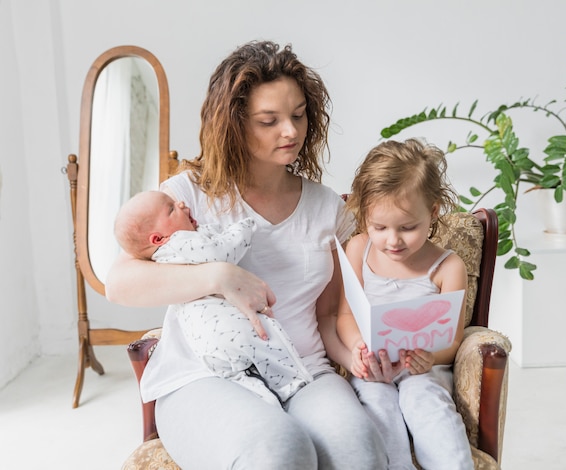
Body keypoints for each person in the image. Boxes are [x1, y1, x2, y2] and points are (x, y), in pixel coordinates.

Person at [105, 41, 387, 469]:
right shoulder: (186, 196)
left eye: (298, 115)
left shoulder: (327, 208)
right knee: (279, 448)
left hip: (304, 371)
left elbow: (331, 317)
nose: (290, 132)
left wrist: (359, 358)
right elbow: (119, 283)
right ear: (234, 124)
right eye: (268, 121)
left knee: (359, 448)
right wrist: (219, 276)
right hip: (205, 376)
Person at [334, 138, 473, 469]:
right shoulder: (358, 249)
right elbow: (343, 315)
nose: (392, 240)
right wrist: (358, 347)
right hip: (373, 368)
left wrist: (428, 358)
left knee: (424, 401)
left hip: (423, 371)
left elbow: (453, 341)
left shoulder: (449, 268)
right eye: (379, 227)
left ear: (434, 211)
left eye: (408, 228)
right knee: (376, 405)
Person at [113, 190, 314, 406]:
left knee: (241, 376)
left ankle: (265, 397)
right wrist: (243, 228)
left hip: (208, 341)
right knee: (269, 345)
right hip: (225, 329)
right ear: (158, 238)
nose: (181, 203)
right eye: (171, 208)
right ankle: (292, 384)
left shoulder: (169, 251)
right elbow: (220, 251)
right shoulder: (179, 242)